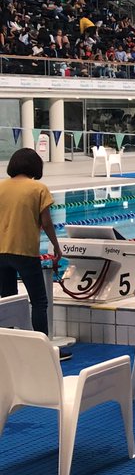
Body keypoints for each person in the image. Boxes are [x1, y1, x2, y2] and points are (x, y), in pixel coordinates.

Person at [0, 148, 64, 353]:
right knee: (39, 301)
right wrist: (56, 245)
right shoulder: (38, 188)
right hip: (25, 252)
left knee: (7, 301)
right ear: (36, 166)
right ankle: (42, 351)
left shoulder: (1, 186)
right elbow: (46, 222)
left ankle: (8, 348)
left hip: (1, 252)